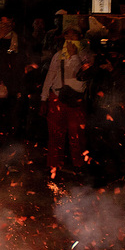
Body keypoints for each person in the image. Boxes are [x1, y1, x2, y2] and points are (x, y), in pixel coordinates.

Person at [40, 28, 88, 176]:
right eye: (67, 34)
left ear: (79, 36)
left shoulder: (86, 55)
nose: (69, 36)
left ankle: (79, 164)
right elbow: (50, 75)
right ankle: (54, 164)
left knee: (76, 134)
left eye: (73, 33)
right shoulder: (58, 55)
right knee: (55, 133)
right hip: (57, 97)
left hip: (75, 100)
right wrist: (44, 98)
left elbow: (81, 74)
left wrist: (74, 56)